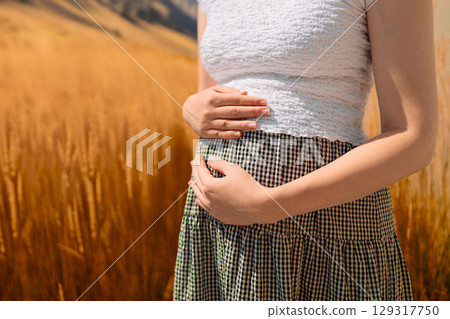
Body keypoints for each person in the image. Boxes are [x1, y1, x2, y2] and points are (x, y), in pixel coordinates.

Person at [172, 0, 438, 301]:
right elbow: (209, 91)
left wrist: (268, 204)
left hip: (325, 233)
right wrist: (189, 108)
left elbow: (415, 138)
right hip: (214, 228)